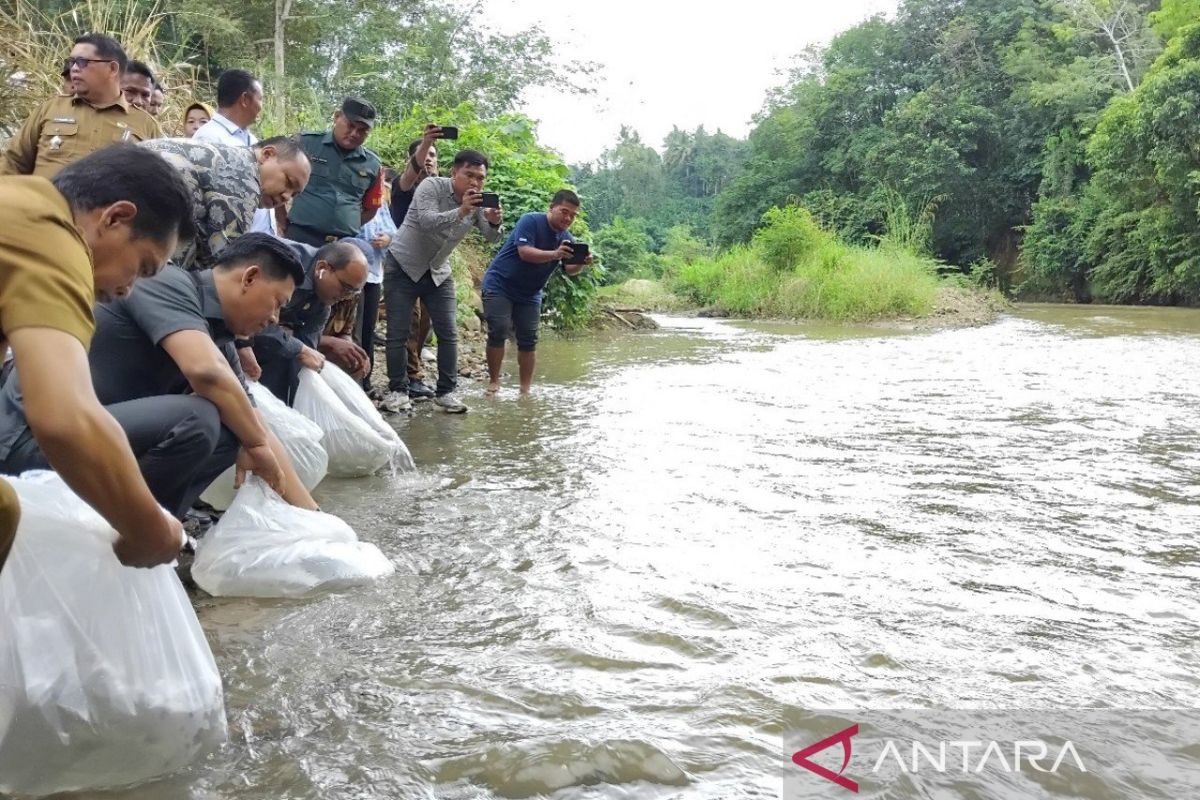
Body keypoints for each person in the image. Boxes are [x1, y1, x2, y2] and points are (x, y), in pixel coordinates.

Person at [2, 234, 320, 527]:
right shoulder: (165, 282)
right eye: (277, 302)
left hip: (90, 443)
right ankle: (132, 527)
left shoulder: (218, 342)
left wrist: (312, 518)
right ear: (249, 278)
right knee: (199, 418)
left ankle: (149, 530)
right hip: (34, 439)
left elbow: (254, 422)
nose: (276, 319)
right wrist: (257, 444)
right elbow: (205, 372)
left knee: (232, 425)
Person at [0, 143, 195, 572]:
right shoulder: (50, 234)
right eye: (142, 267)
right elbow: (67, 420)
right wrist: (152, 532)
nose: (129, 289)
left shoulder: (17, 203)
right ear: (115, 217)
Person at [383, 149, 503, 414]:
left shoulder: (479, 202)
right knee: (398, 332)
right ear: (454, 173)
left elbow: (491, 238)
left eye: (480, 178)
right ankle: (397, 391)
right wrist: (461, 211)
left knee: (448, 333)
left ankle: (446, 392)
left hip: (438, 270)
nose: (475, 182)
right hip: (403, 264)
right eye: (469, 175)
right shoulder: (431, 186)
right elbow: (426, 222)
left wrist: (494, 222)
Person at [1, 33, 160, 178]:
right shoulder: (49, 109)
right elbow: (13, 162)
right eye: (72, 62)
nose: (74, 69)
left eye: (82, 62)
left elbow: (155, 181)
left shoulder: (145, 125)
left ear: (112, 69)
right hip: (44, 208)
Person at [140, 136, 311, 270]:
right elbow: (222, 266)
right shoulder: (244, 181)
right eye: (289, 181)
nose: (286, 196)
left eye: (294, 194)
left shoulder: (231, 157)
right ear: (267, 154)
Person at [482, 190, 592, 395]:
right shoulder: (530, 220)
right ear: (551, 208)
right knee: (498, 329)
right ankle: (494, 382)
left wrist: (582, 263)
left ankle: (525, 390)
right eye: (564, 212)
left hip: (530, 293)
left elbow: (570, 271)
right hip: (500, 284)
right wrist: (555, 254)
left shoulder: (567, 238)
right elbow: (525, 253)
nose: (568, 218)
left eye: (573, 215)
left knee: (529, 339)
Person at [243, 240, 369, 404]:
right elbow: (251, 317)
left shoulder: (323, 304)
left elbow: (306, 353)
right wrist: (299, 348)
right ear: (322, 268)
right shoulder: (283, 266)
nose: (346, 296)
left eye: (353, 292)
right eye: (344, 287)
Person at [385, 126, 448, 407]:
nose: (430, 159)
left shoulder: (443, 189)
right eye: (425, 154)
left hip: (433, 265)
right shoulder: (404, 185)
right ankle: (408, 378)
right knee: (407, 322)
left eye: (434, 155)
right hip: (402, 263)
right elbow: (411, 173)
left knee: (426, 322)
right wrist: (426, 142)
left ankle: (414, 370)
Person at [279, 97, 384, 247]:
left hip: (343, 245)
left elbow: (372, 207)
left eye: (362, 131)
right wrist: (280, 216)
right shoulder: (305, 144)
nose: (355, 133)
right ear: (336, 117)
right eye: (350, 125)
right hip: (300, 236)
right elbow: (278, 179)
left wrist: (347, 222)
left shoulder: (373, 164)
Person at [192, 69, 275, 235]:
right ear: (245, 99)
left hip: (259, 237)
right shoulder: (209, 138)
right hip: (234, 240)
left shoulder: (251, 139)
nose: (261, 107)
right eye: (260, 99)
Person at [355, 169, 400, 397]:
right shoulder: (351, 197)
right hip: (350, 271)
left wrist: (388, 239)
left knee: (367, 330)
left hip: (373, 273)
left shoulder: (380, 201)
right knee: (350, 327)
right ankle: (350, 380)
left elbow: (392, 231)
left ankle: (365, 380)